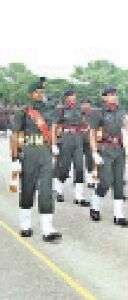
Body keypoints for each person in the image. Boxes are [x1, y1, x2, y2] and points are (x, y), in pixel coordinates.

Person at [12, 79, 62, 242]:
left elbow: (53, 129)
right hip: (29, 152)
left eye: (42, 92)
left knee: (47, 189)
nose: (40, 94)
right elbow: (16, 135)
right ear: (30, 94)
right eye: (37, 92)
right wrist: (15, 158)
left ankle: (47, 229)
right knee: (27, 188)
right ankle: (25, 225)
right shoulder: (24, 111)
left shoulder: (50, 109)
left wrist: (54, 146)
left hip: (45, 152)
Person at [88, 87, 128, 226]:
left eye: (115, 94)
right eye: (111, 95)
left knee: (119, 182)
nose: (114, 97)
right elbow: (92, 133)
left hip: (119, 149)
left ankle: (119, 216)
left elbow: (125, 129)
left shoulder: (122, 112)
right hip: (105, 149)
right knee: (106, 181)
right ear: (104, 98)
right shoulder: (98, 113)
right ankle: (95, 206)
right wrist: (94, 152)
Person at [52, 90, 90, 206]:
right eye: (70, 98)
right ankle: (58, 191)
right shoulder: (61, 110)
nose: (73, 100)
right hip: (65, 139)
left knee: (79, 167)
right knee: (64, 168)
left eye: (74, 98)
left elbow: (87, 123)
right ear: (66, 99)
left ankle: (79, 196)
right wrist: (54, 144)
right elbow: (54, 127)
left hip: (78, 139)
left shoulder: (80, 110)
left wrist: (86, 129)